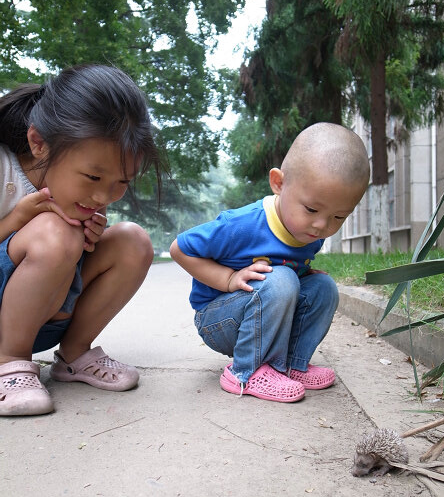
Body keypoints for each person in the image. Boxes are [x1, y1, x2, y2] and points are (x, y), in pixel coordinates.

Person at [0, 64, 166, 416]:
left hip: (48, 317)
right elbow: (47, 239)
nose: (103, 195)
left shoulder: (85, 196)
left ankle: (74, 355)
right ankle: (9, 362)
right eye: (93, 176)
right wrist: (17, 220)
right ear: (38, 143)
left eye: (121, 182)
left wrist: (88, 239)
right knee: (55, 232)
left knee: (132, 241)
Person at [170, 122, 370, 403]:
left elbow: (290, 265)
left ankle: (292, 364)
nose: (322, 225)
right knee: (282, 279)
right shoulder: (241, 225)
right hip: (219, 321)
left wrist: (306, 275)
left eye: (339, 217)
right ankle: (245, 372)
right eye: (312, 209)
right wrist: (228, 279)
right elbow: (180, 248)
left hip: (267, 316)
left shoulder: (312, 230)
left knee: (323, 286)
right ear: (279, 183)